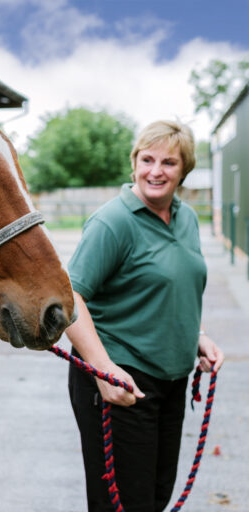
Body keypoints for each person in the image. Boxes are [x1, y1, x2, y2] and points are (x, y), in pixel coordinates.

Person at [65, 120, 224, 512]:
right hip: (121, 383)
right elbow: (69, 299)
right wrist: (103, 372)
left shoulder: (186, 218)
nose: (156, 171)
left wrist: (197, 335)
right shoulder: (112, 222)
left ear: (183, 169)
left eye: (168, 162)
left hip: (171, 382)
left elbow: (172, 287)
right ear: (133, 163)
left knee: (154, 497)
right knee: (122, 504)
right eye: (147, 159)